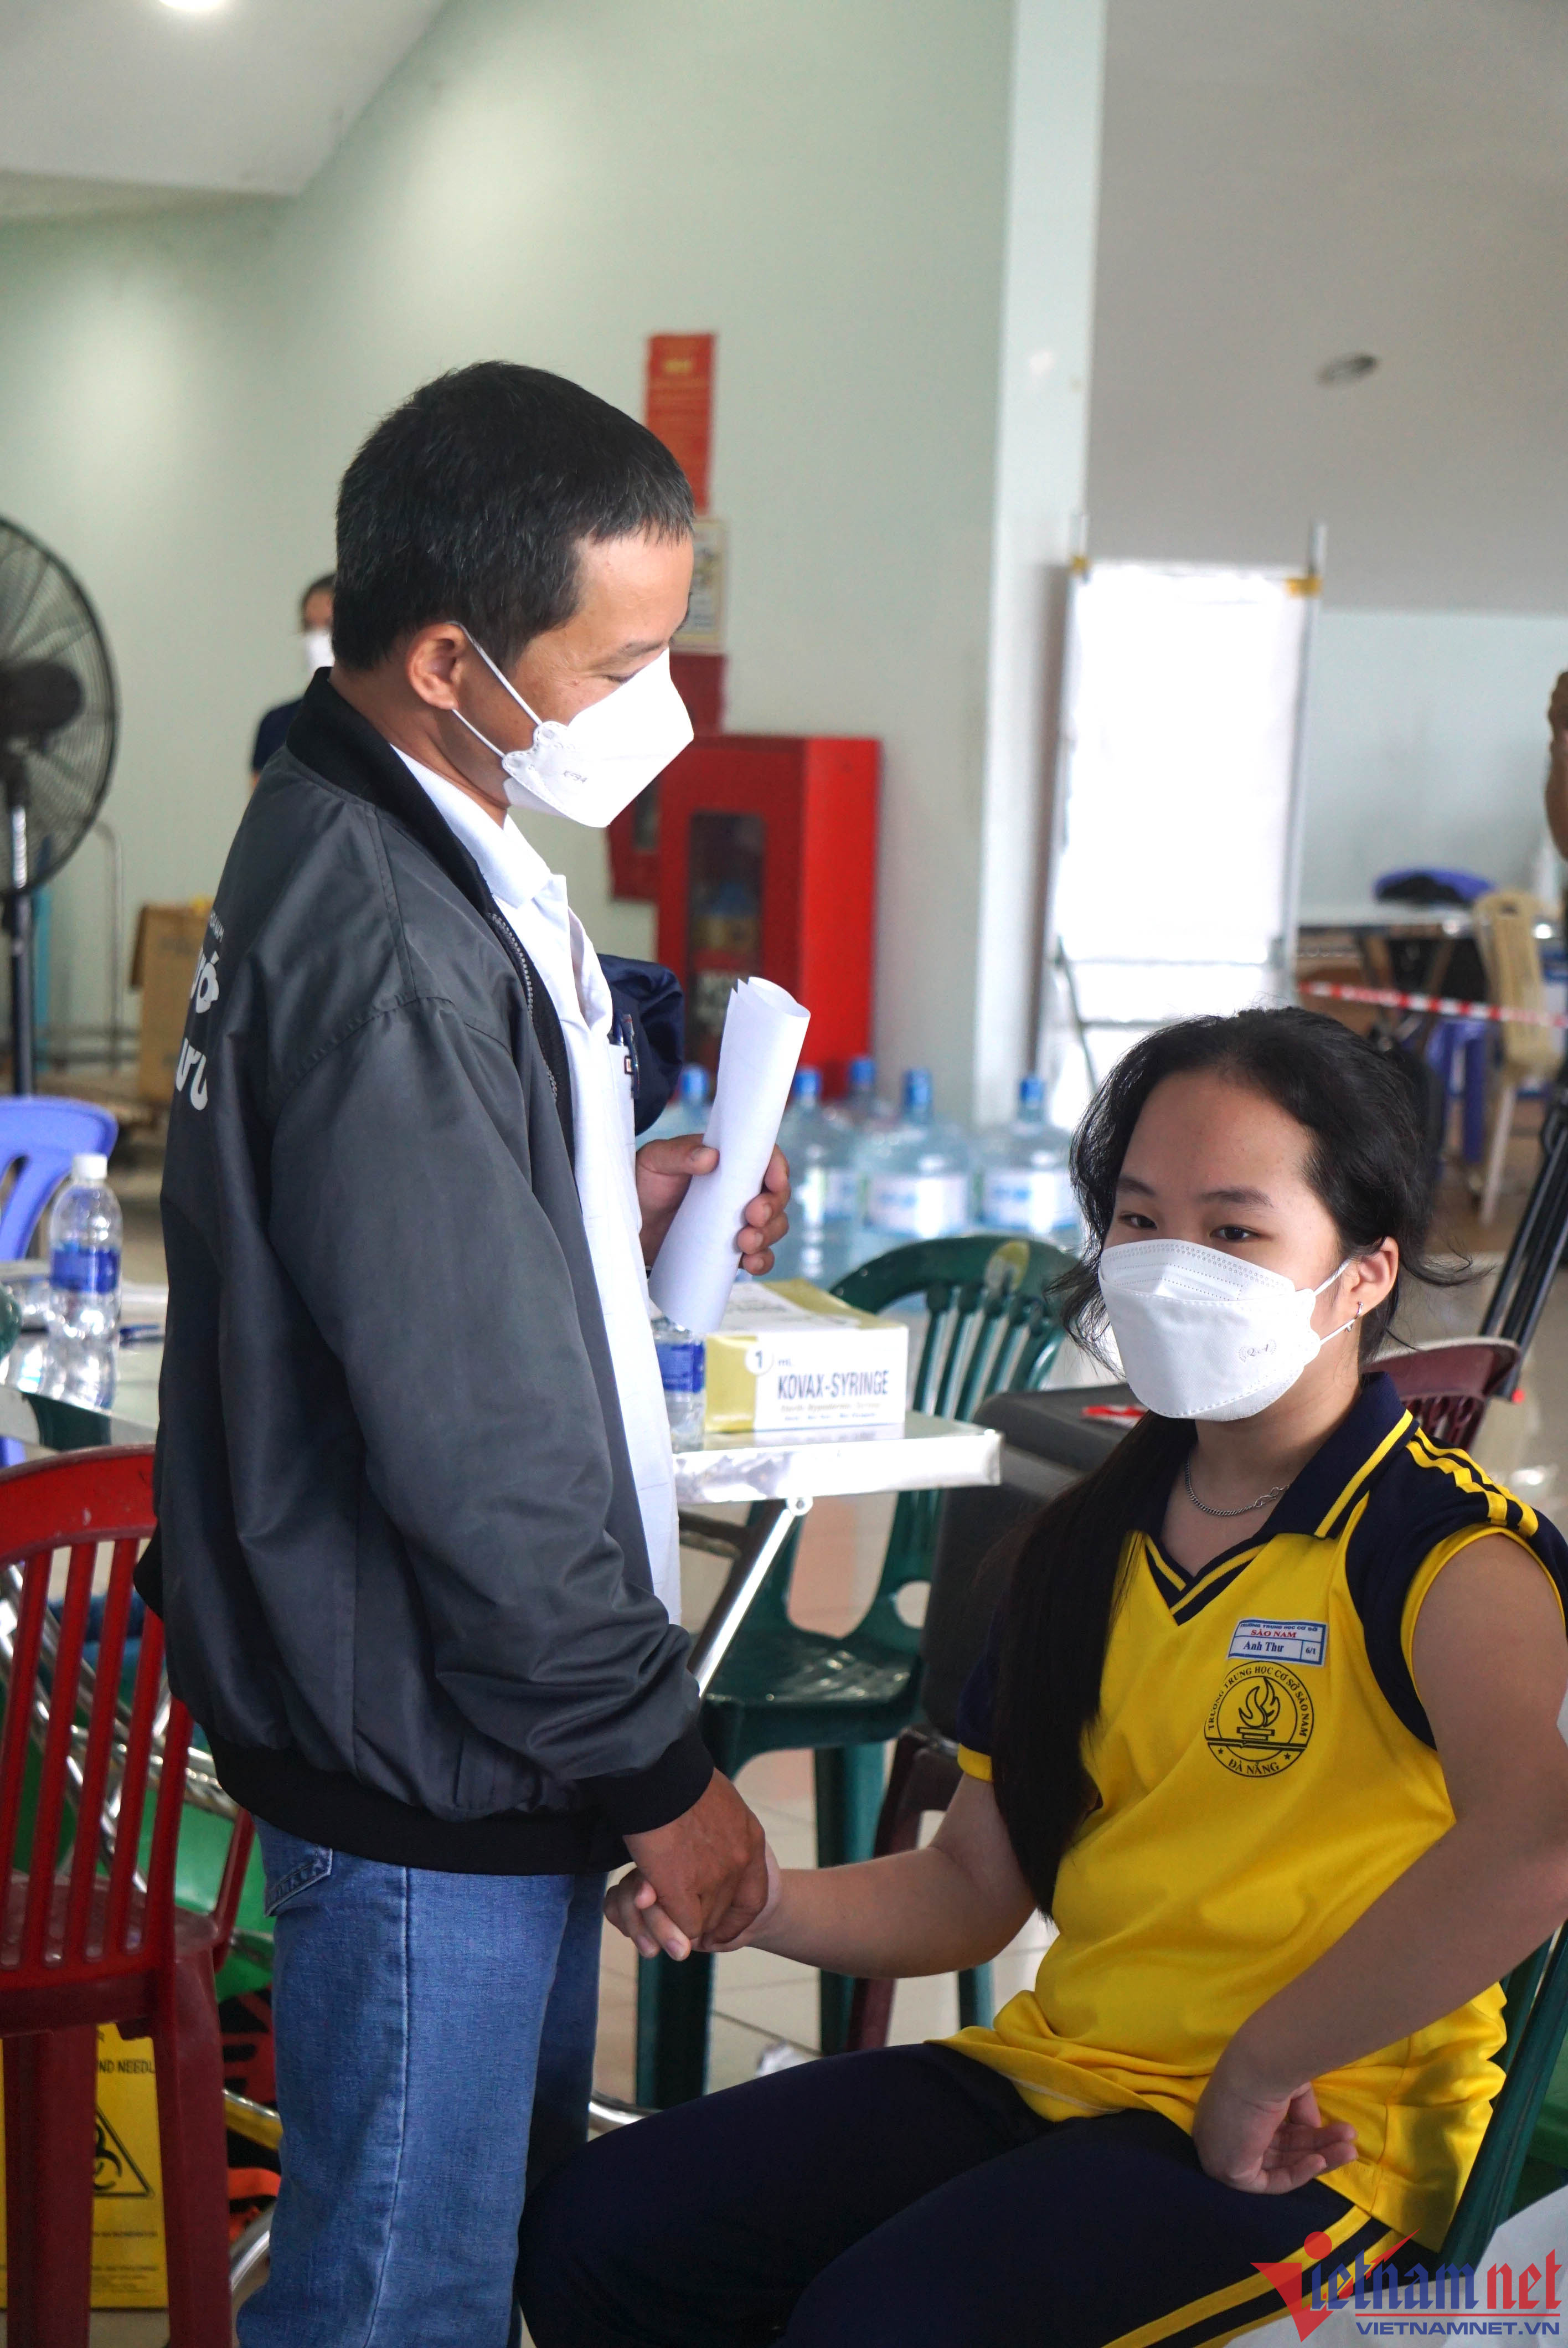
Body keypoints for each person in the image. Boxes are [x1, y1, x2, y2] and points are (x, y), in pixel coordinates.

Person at [522, 1007, 1568, 2348]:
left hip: (1328, 2141)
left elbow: (1537, 1845)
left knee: (880, 2325)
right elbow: (972, 1885)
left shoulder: (1446, 1553)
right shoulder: (1080, 1543)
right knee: (606, 2225)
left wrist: (1265, 2063)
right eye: (1140, 1217)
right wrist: (762, 1898)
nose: (1172, 1264)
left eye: (1235, 1229)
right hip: (1057, 2073)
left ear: (1362, 1273)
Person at [142, 363, 789, 2347]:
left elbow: (415, 1236)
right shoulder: (390, 943)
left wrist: (604, 1190)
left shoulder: (391, 825)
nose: (657, 707)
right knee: (399, 2296)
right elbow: (476, 1441)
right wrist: (656, 1765)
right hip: (426, 1735)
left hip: (447, 1714)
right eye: (621, 664)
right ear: (446, 660)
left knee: (457, 2256)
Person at [249, 571, 334, 784]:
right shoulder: (276, 724)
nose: (317, 640)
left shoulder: (383, 727)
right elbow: (260, 802)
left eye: (330, 626)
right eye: (309, 627)